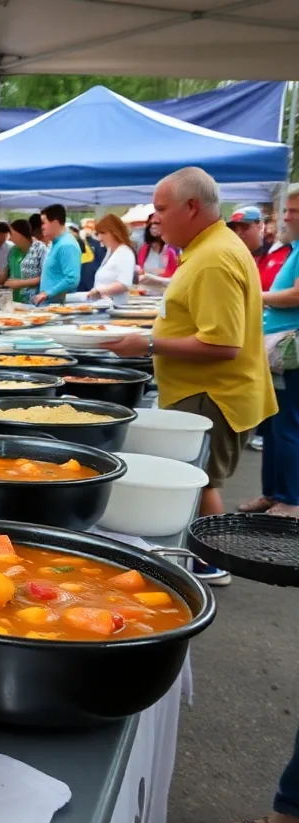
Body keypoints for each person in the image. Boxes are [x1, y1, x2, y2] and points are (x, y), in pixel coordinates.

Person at [108, 167, 276, 587]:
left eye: (161, 209)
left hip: (212, 393)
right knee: (201, 479)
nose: (155, 219)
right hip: (209, 390)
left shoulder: (214, 257)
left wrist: (146, 345)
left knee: (200, 480)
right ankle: (211, 557)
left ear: (192, 206)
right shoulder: (210, 248)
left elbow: (224, 345)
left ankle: (212, 560)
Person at [239, 184, 299, 517]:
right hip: (278, 350)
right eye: (286, 210)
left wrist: (257, 296)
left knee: (287, 424)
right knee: (274, 424)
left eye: (294, 211)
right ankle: (273, 493)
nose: (286, 216)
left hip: (288, 352)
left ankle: (290, 498)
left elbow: (297, 295)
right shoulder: (292, 249)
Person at [86, 214, 136, 306]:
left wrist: (99, 290)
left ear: (113, 232)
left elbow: (124, 284)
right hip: (103, 306)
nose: (99, 238)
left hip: (115, 307)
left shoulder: (124, 253)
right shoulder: (110, 252)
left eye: (102, 233)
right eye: (98, 234)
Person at [35, 204, 81, 304]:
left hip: (58, 309)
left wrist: (47, 293)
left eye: (43, 223)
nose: (41, 227)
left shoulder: (66, 245)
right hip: (50, 307)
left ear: (55, 223)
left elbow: (72, 279)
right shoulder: (56, 243)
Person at [5, 219, 48, 304]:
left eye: (11, 234)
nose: (9, 238)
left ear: (20, 233)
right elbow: (6, 272)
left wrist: (20, 283)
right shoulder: (13, 251)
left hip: (33, 301)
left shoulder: (39, 248)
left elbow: (46, 276)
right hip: (14, 301)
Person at [137, 213, 179, 294]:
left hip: (166, 294)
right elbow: (141, 271)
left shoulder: (173, 250)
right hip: (146, 295)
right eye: (151, 224)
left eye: (156, 223)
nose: (153, 227)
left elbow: (176, 276)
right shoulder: (144, 250)